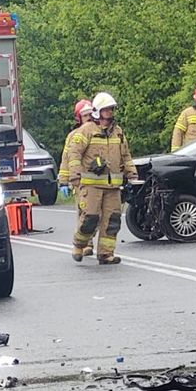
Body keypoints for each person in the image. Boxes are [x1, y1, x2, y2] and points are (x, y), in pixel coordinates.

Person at [66, 92, 138, 265]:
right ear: (97, 111)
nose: (110, 113)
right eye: (106, 109)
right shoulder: (86, 131)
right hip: (91, 186)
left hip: (113, 186)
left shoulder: (118, 132)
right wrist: (74, 175)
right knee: (90, 218)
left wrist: (132, 174)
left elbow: (126, 155)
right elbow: (73, 153)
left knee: (112, 220)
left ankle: (106, 254)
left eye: (111, 109)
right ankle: (79, 244)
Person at [58, 98, 95, 256]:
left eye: (91, 115)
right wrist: (64, 181)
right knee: (84, 213)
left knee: (96, 213)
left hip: (97, 180)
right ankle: (86, 243)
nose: (89, 119)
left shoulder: (100, 132)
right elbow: (67, 158)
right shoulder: (73, 136)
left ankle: (92, 243)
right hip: (80, 182)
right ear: (79, 118)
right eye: (85, 116)